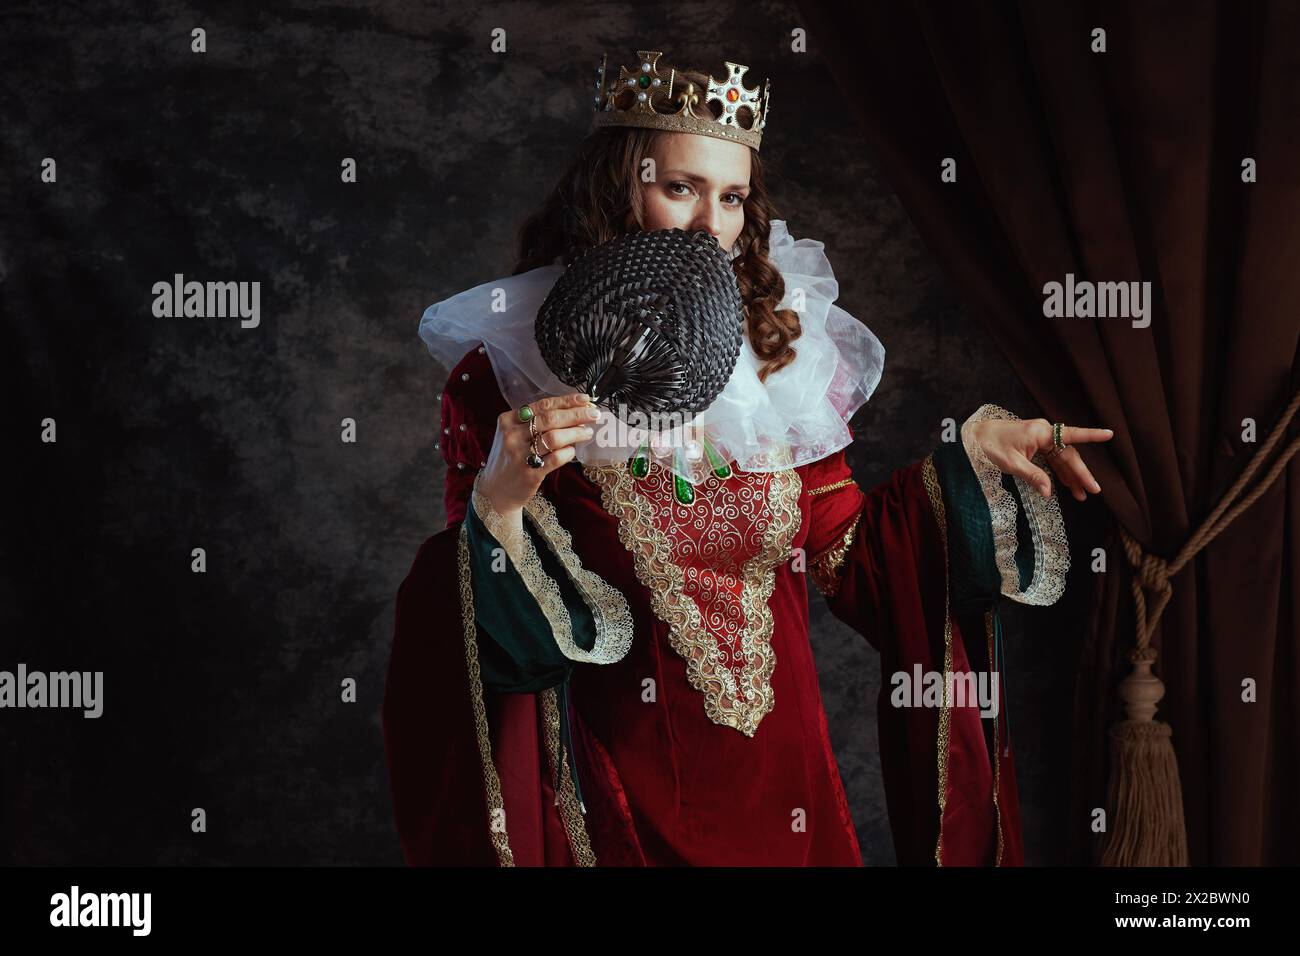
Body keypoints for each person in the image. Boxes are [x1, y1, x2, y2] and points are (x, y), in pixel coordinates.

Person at [382, 48, 1113, 866]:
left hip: (790, 788)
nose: (710, 226)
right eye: (681, 188)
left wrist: (968, 462)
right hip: (625, 790)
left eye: (730, 198)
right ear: (613, 187)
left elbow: (851, 552)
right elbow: (470, 630)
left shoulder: (774, 361)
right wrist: (502, 504)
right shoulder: (506, 375)